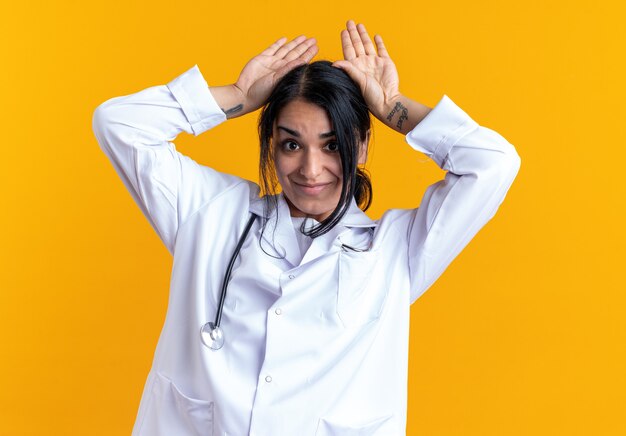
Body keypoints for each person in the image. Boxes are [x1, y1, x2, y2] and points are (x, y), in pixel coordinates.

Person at [93, 20, 520, 436]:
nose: (310, 169)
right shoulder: (210, 213)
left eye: (333, 145)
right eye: (292, 144)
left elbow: (493, 164)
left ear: (362, 144)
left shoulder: (396, 251)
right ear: (271, 146)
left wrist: (393, 106)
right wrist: (239, 95)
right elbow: (119, 124)